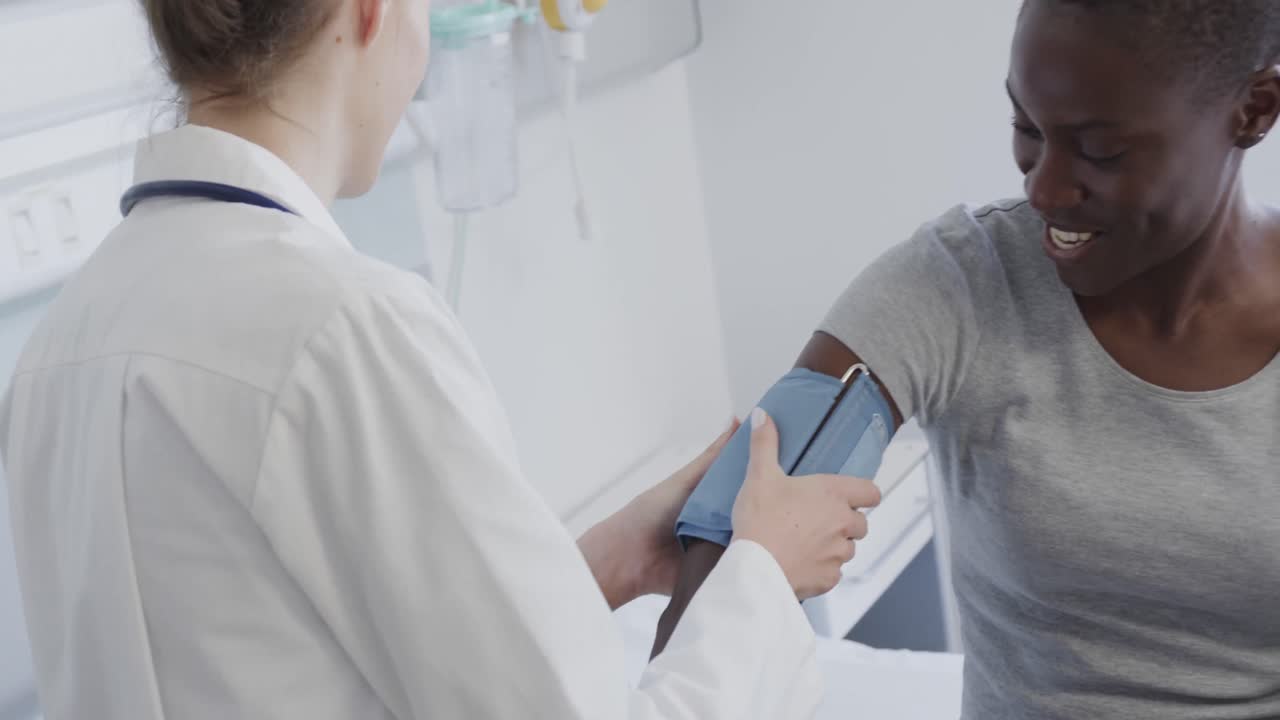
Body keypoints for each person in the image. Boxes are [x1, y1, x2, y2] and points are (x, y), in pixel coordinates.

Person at [0, 0, 885, 718]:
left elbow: (275, 652)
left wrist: (604, 563)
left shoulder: (57, 349)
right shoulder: (342, 328)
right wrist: (765, 571)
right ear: (373, 12)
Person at [655, 1, 1280, 718]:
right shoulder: (961, 284)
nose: (1041, 188)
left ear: (1255, 109)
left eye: (1101, 151)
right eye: (1027, 129)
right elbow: (743, 521)